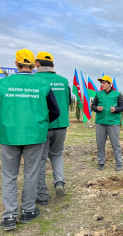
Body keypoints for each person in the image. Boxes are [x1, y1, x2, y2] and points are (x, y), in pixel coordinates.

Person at [0, 49, 60, 231]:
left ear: (16, 64)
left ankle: (9, 216)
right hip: (35, 136)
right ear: (34, 65)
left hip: (8, 136)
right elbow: (55, 111)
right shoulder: (42, 84)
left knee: (9, 176)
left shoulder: (4, 84)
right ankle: (27, 211)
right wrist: (40, 124)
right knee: (31, 173)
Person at [35, 51, 71, 205]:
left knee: (41, 159)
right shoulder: (63, 81)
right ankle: (59, 183)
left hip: (42, 126)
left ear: (37, 64)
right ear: (53, 66)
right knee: (57, 154)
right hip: (61, 125)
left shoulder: (35, 80)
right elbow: (68, 101)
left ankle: (42, 193)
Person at [91, 75, 123, 171]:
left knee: (115, 144)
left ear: (110, 84)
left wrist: (116, 109)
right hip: (100, 122)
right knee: (100, 143)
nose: (102, 84)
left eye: (104, 83)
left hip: (113, 122)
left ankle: (119, 163)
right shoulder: (98, 94)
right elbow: (93, 106)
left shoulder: (117, 94)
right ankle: (101, 162)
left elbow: (122, 107)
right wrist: (96, 108)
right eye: (101, 83)